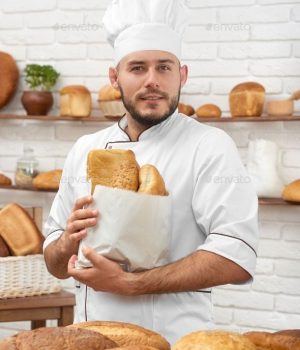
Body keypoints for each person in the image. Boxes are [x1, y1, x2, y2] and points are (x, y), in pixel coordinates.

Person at [43, 0, 259, 344]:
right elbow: (54, 262)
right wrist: (67, 242)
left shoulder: (209, 146)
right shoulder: (85, 148)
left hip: (173, 339)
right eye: (138, 68)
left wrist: (132, 284)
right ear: (115, 77)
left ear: (182, 75)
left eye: (164, 68)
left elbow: (237, 255)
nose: (152, 81)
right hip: (91, 336)